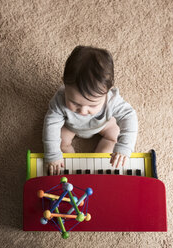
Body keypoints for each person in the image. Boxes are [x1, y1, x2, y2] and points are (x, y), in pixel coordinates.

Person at [43, 45, 138, 175]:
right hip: (71, 126)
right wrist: (53, 154)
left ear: (107, 92)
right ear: (65, 84)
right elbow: (51, 124)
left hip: (102, 125)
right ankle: (73, 169)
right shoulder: (59, 100)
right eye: (74, 103)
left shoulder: (112, 101)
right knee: (60, 141)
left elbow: (129, 116)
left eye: (92, 105)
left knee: (113, 136)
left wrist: (124, 147)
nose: (82, 111)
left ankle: (95, 166)